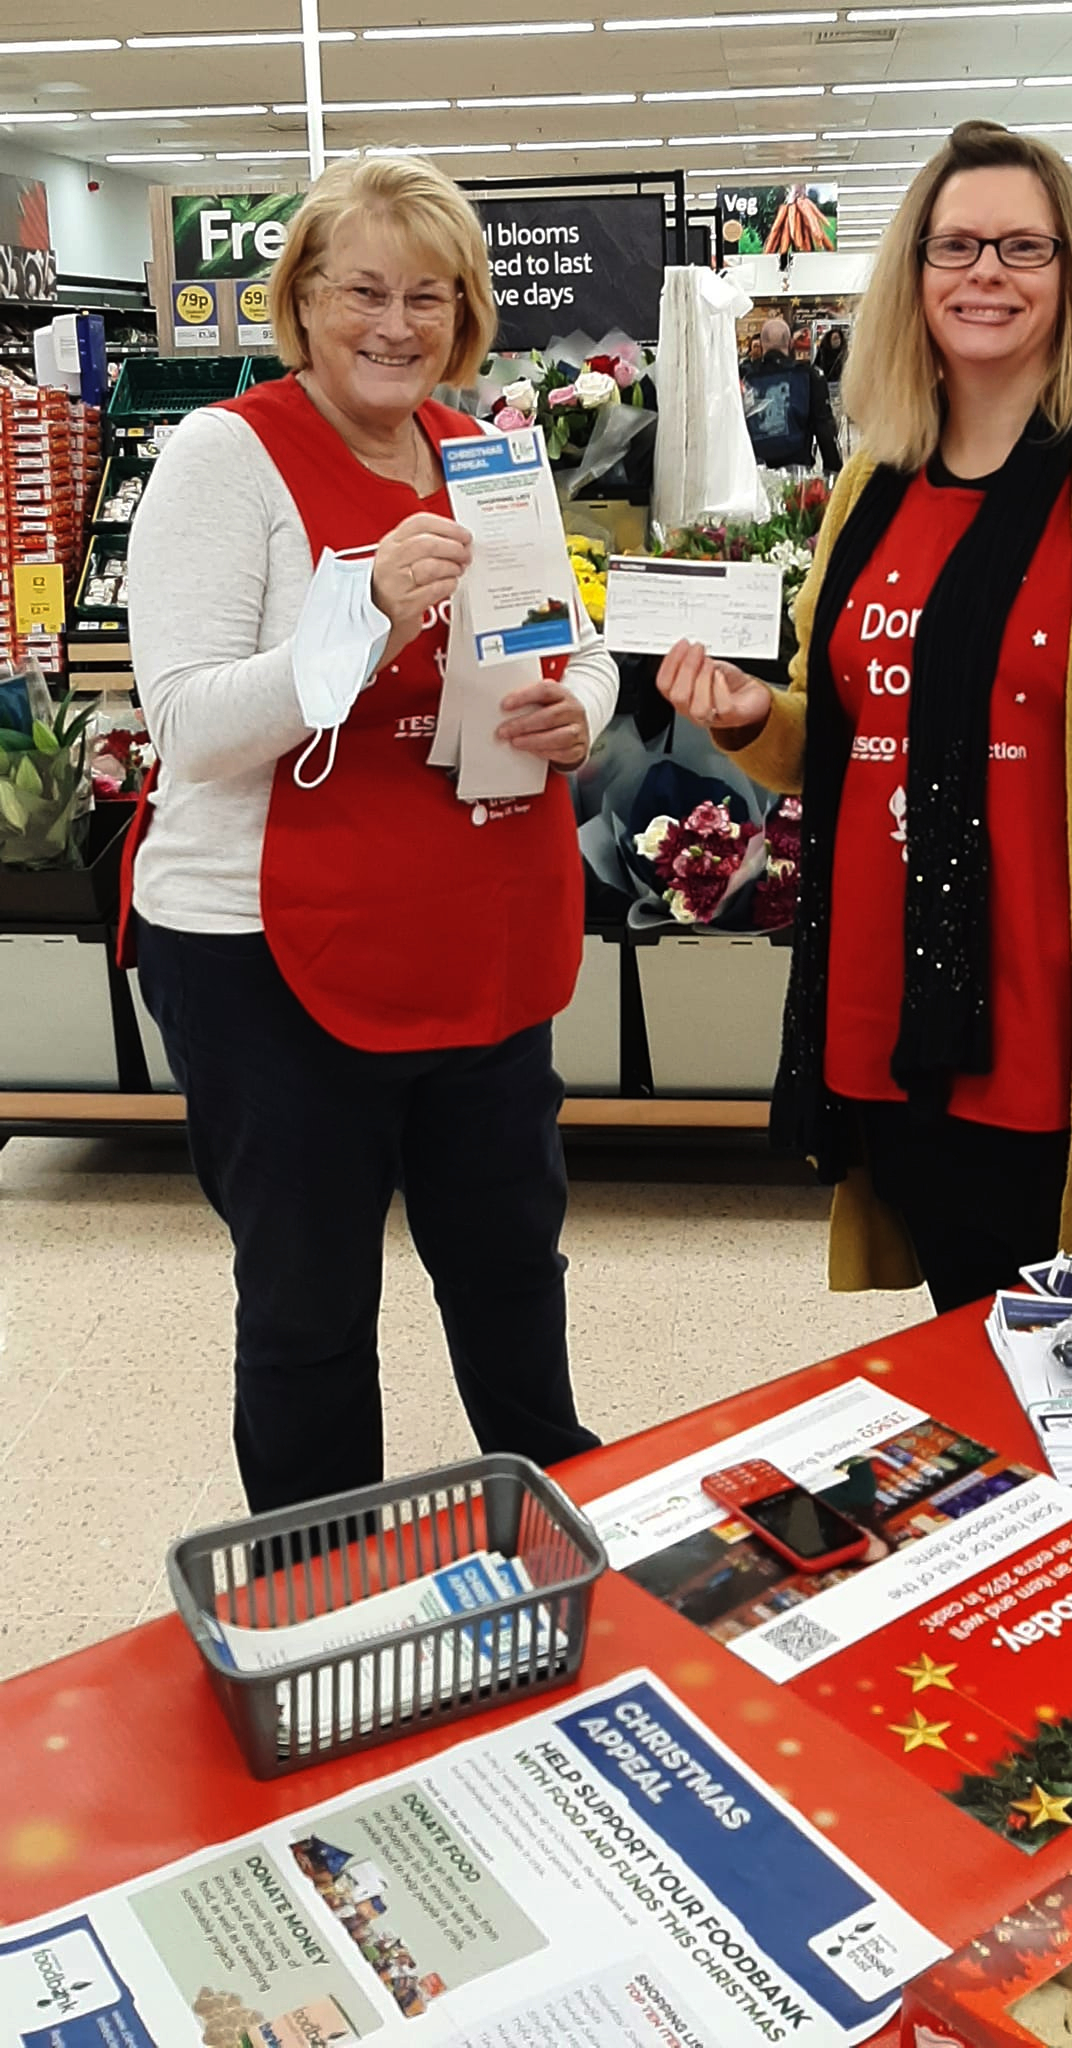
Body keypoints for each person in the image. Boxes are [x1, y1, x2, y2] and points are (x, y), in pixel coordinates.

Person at [124, 156, 619, 1512]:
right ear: (300, 301)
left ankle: (549, 1545)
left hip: (476, 936)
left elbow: (564, 650)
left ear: (464, 313)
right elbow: (188, 725)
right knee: (309, 1311)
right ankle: (320, 1596)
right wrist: (363, 615)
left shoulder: (488, 457)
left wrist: (578, 703)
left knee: (513, 1268)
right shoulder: (224, 457)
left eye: (427, 294)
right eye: (362, 291)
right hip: (265, 957)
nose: (394, 324)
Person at [656, 120, 1072, 1313]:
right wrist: (757, 716)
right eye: (955, 245)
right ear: (913, 274)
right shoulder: (876, 476)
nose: (986, 274)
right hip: (892, 1023)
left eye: (1024, 245)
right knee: (967, 1348)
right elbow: (848, 739)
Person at [742, 315, 842, 473]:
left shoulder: (744, 377)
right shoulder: (809, 376)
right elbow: (824, 430)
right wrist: (834, 472)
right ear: (790, 344)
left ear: (761, 345)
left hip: (752, 473)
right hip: (797, 472)